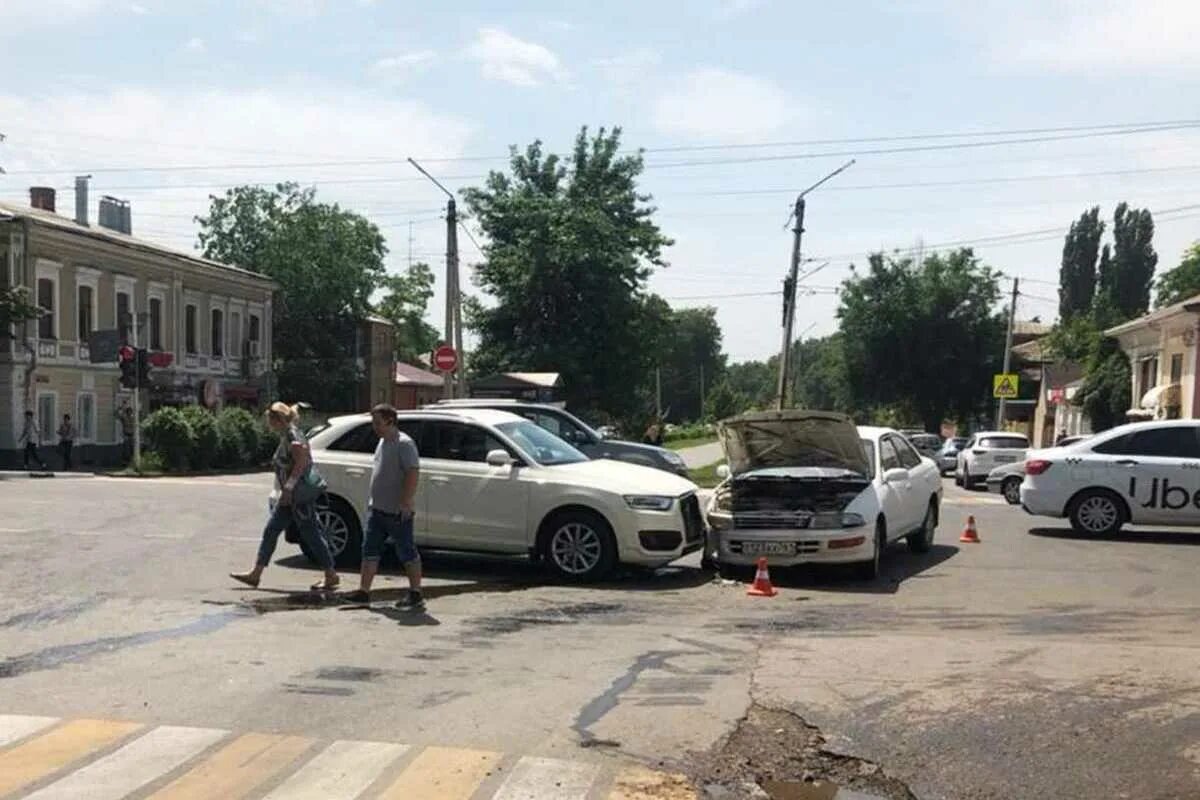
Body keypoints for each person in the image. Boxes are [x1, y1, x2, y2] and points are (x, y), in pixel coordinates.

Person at [230, 402, 339, 591]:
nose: (268, 424)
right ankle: (256, 574)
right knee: (272, 530)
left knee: (311, 534)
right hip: (291, 497)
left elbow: (301, 463)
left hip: (298, 497)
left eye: (270, 420)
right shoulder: (289, 434)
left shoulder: (292, 435)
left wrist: (288, 489)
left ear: (278, 419)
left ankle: (331, 574)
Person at [344, 403, 423, 611]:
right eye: (374, 422)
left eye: (378, 423)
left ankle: (416, 593)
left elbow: (413, 473)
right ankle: (364, 591)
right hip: (377, 508)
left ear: (390, 421)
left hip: (397, 511)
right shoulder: (382, 442)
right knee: (369, 549)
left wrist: (406, 502)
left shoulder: (404, 444)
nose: (375, 427)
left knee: (406, 551)